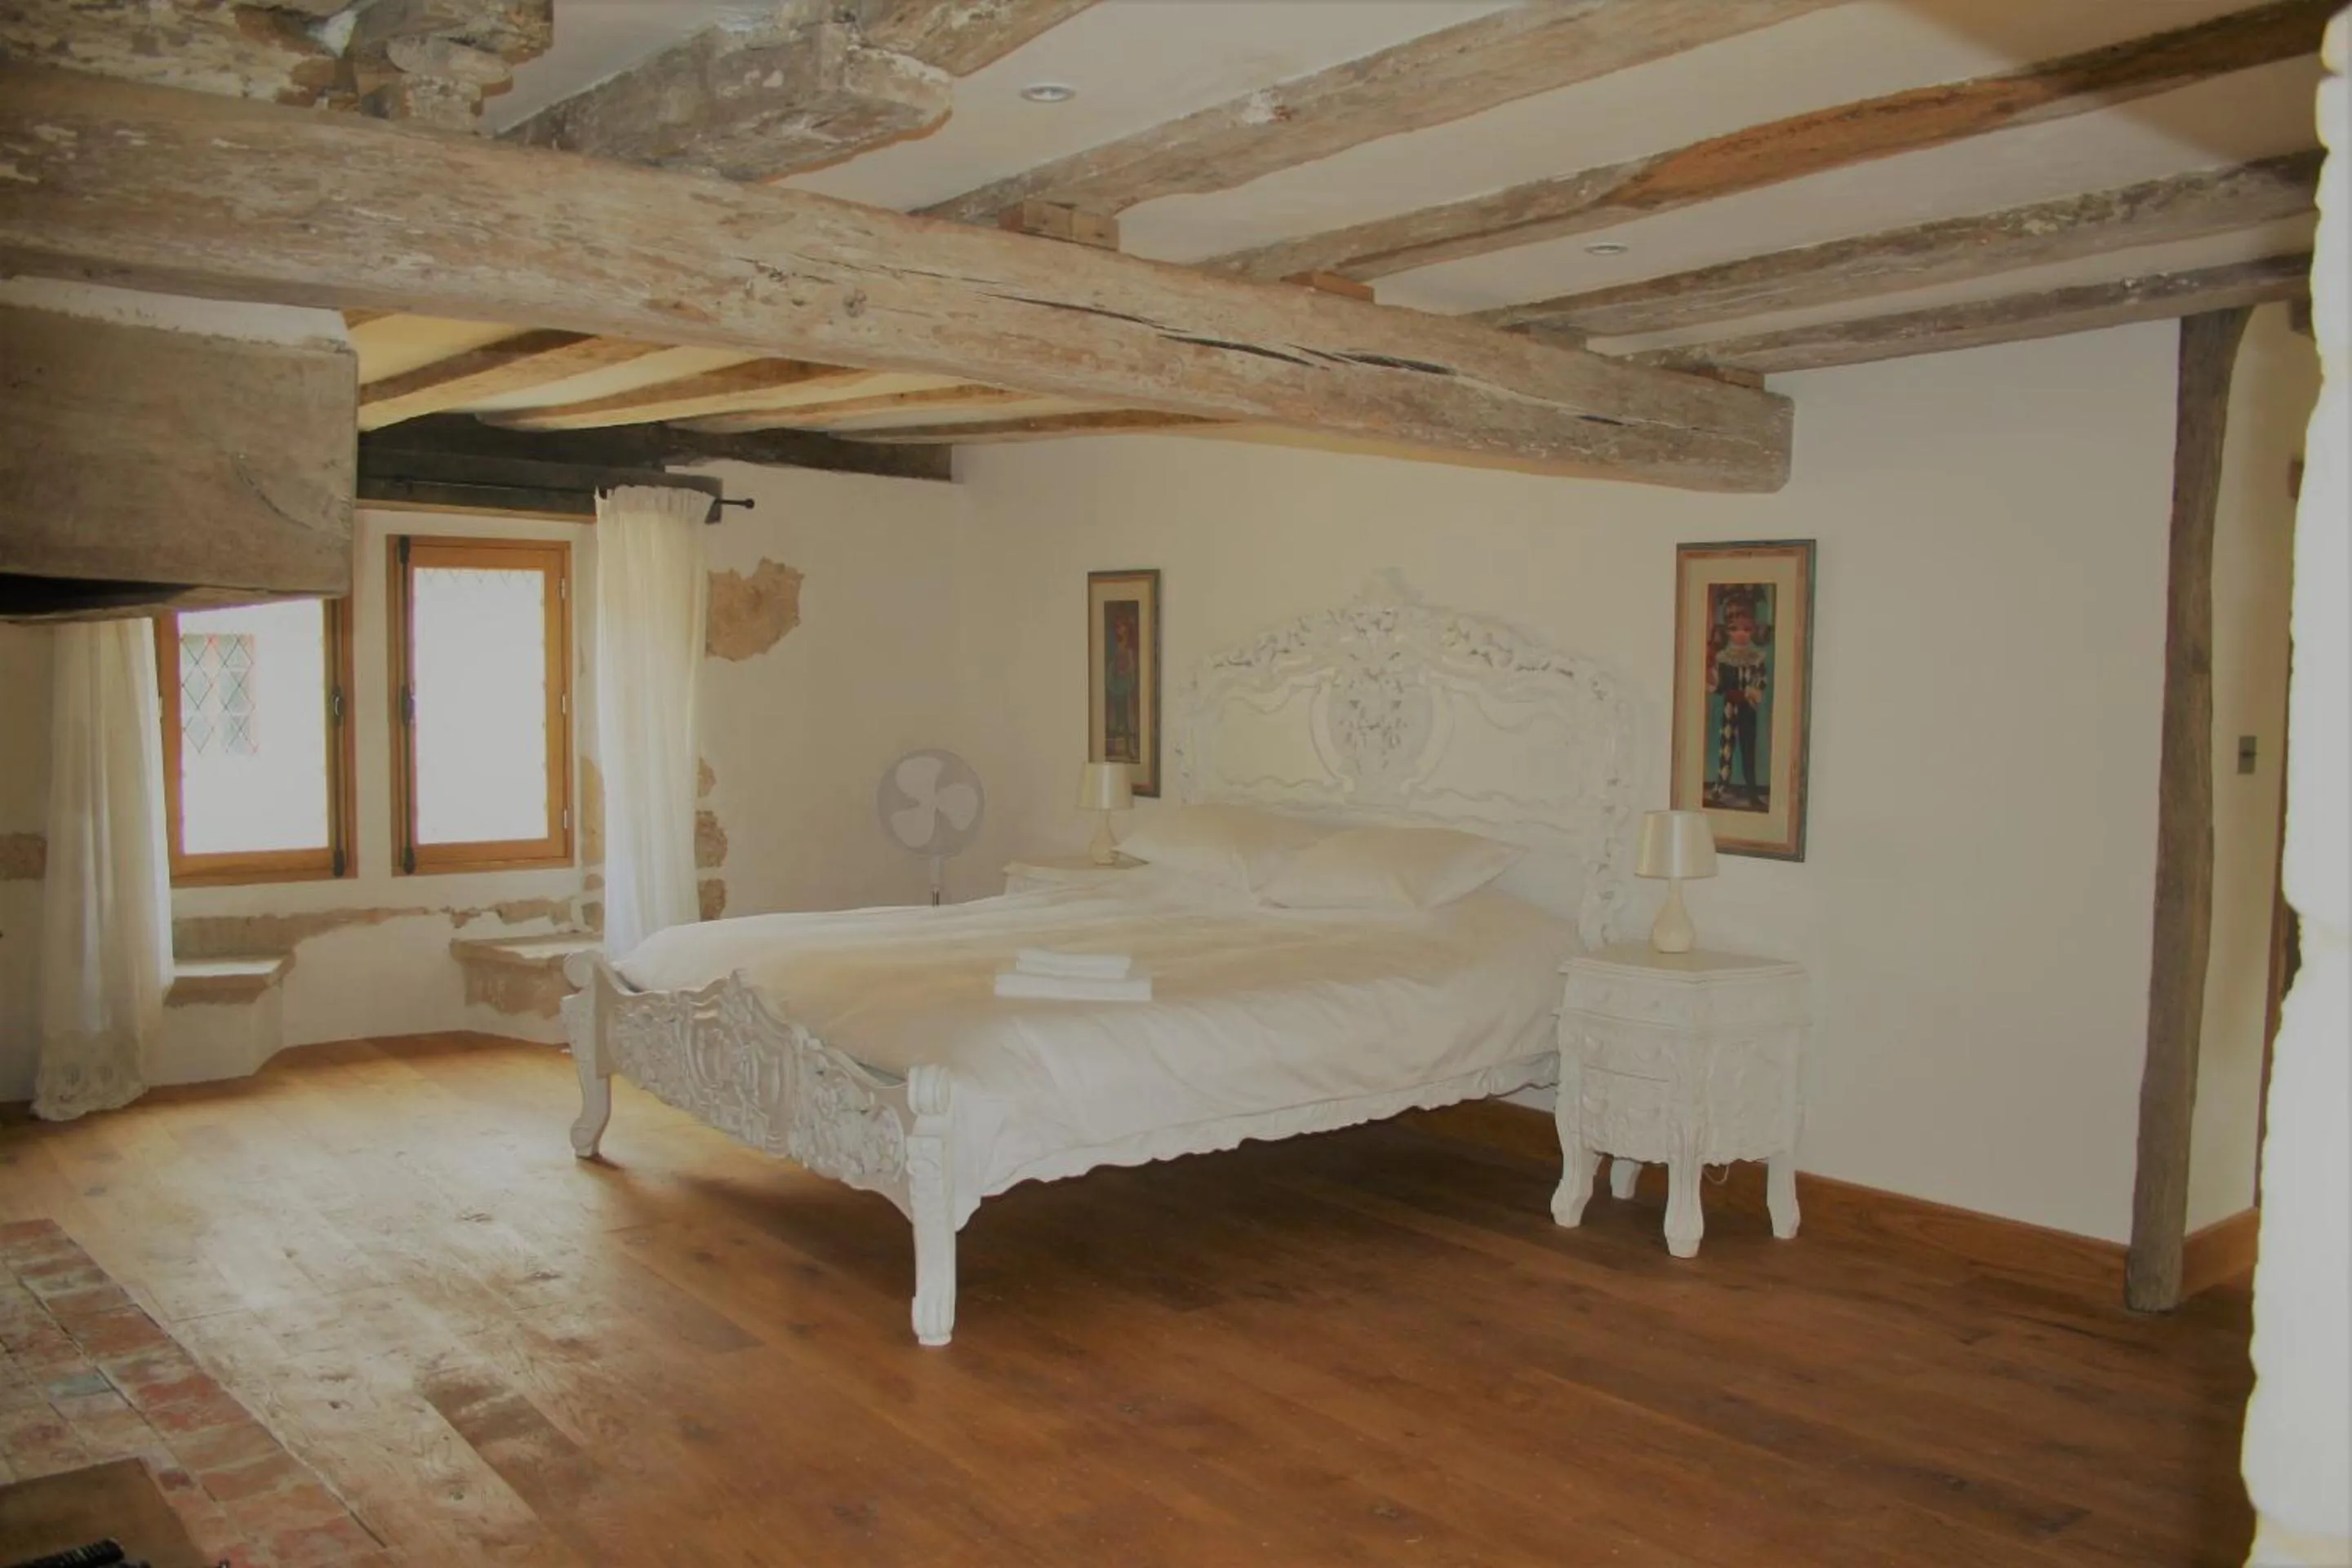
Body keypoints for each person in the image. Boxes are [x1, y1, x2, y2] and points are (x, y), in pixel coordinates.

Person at [1709, 592, 1770, 811]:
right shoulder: (1723, 658)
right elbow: (1718, 686)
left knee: (1748, 748)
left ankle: (1752, 791)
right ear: (1727, 631)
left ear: (1754, 629)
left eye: (1747, 629)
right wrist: (1714, 682)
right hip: (1729, 707)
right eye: (1735, 629)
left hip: (1748, 708)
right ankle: (1720, 788)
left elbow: (1761, 681)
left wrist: (1750, 694)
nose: (1741, 634)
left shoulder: (1757, 657)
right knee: (1726, 747)